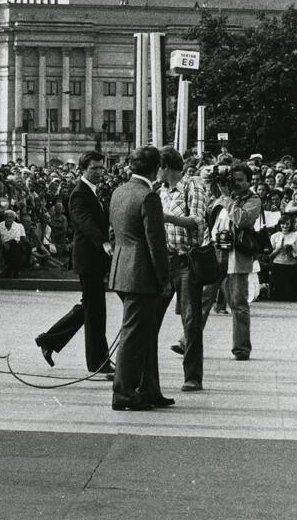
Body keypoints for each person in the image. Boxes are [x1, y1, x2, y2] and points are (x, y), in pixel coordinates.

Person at [34, 151, 115, 378]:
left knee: (90, 307)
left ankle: (49, 340)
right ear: (83, 169)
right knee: (95, 311)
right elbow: (84, 222)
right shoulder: (79, 193)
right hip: (89, 258)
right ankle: (98, 362)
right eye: (94, 169)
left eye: (101, 168)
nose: (99, 172)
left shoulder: (95, 191)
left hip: (94, 258)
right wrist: (104, 243)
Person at [108, 146, 171, 411]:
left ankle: (149, 389)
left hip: (123, 269)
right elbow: (156, 242)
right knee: (134, 335)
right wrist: (164, 278)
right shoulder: (149, 197)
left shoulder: (119, 192)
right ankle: (123, 393)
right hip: (141, 274)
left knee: (143, 334)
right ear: (156, 168)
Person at [154, 146, 207, 392]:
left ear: (165, 167)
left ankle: (193, 375)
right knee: (151, 316)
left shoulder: (191, 186)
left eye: (157, 167)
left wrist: (166, 218)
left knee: (191, 319)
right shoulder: (161, 190)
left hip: (187, 259)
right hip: (165, 259)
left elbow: (197, 222)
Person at [202, 164, 262, 361]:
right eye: (233, 179)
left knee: (238, 303)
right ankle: (188, 340)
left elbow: (242, 220)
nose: (235, 184)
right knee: (204, 298)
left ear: (248, 181)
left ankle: (241, 348)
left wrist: (227, 198)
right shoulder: (221, 197)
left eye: (240, 180)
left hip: (237, 254)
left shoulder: (253, 200)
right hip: (216, 250)